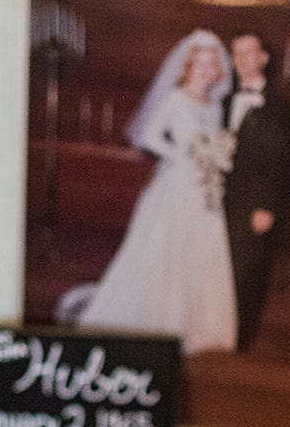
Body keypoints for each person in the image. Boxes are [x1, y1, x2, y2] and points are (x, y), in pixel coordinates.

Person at [77, 29, 238, 354]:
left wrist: (214, 157)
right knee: (168, 252)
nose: (207, 71)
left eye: (212, 65)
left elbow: (218, 144)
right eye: (201, 64)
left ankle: (199, 328)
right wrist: (184, 155)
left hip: (206, 192)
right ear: (188, 66)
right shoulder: (176, 99)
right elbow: (148, 136)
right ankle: (159, 322)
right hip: (177, 187)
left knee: (202, 252)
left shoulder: (215, 106)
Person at [222, 34, 290, 349]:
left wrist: (267, 207)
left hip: (252, 206)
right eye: (236, 53)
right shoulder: (222, 101)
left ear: (263, 59)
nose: (242, 60)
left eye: (249, 52)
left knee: (247, 272)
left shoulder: (284, 112)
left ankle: (241, 337)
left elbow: (284, 166)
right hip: (215, 202)